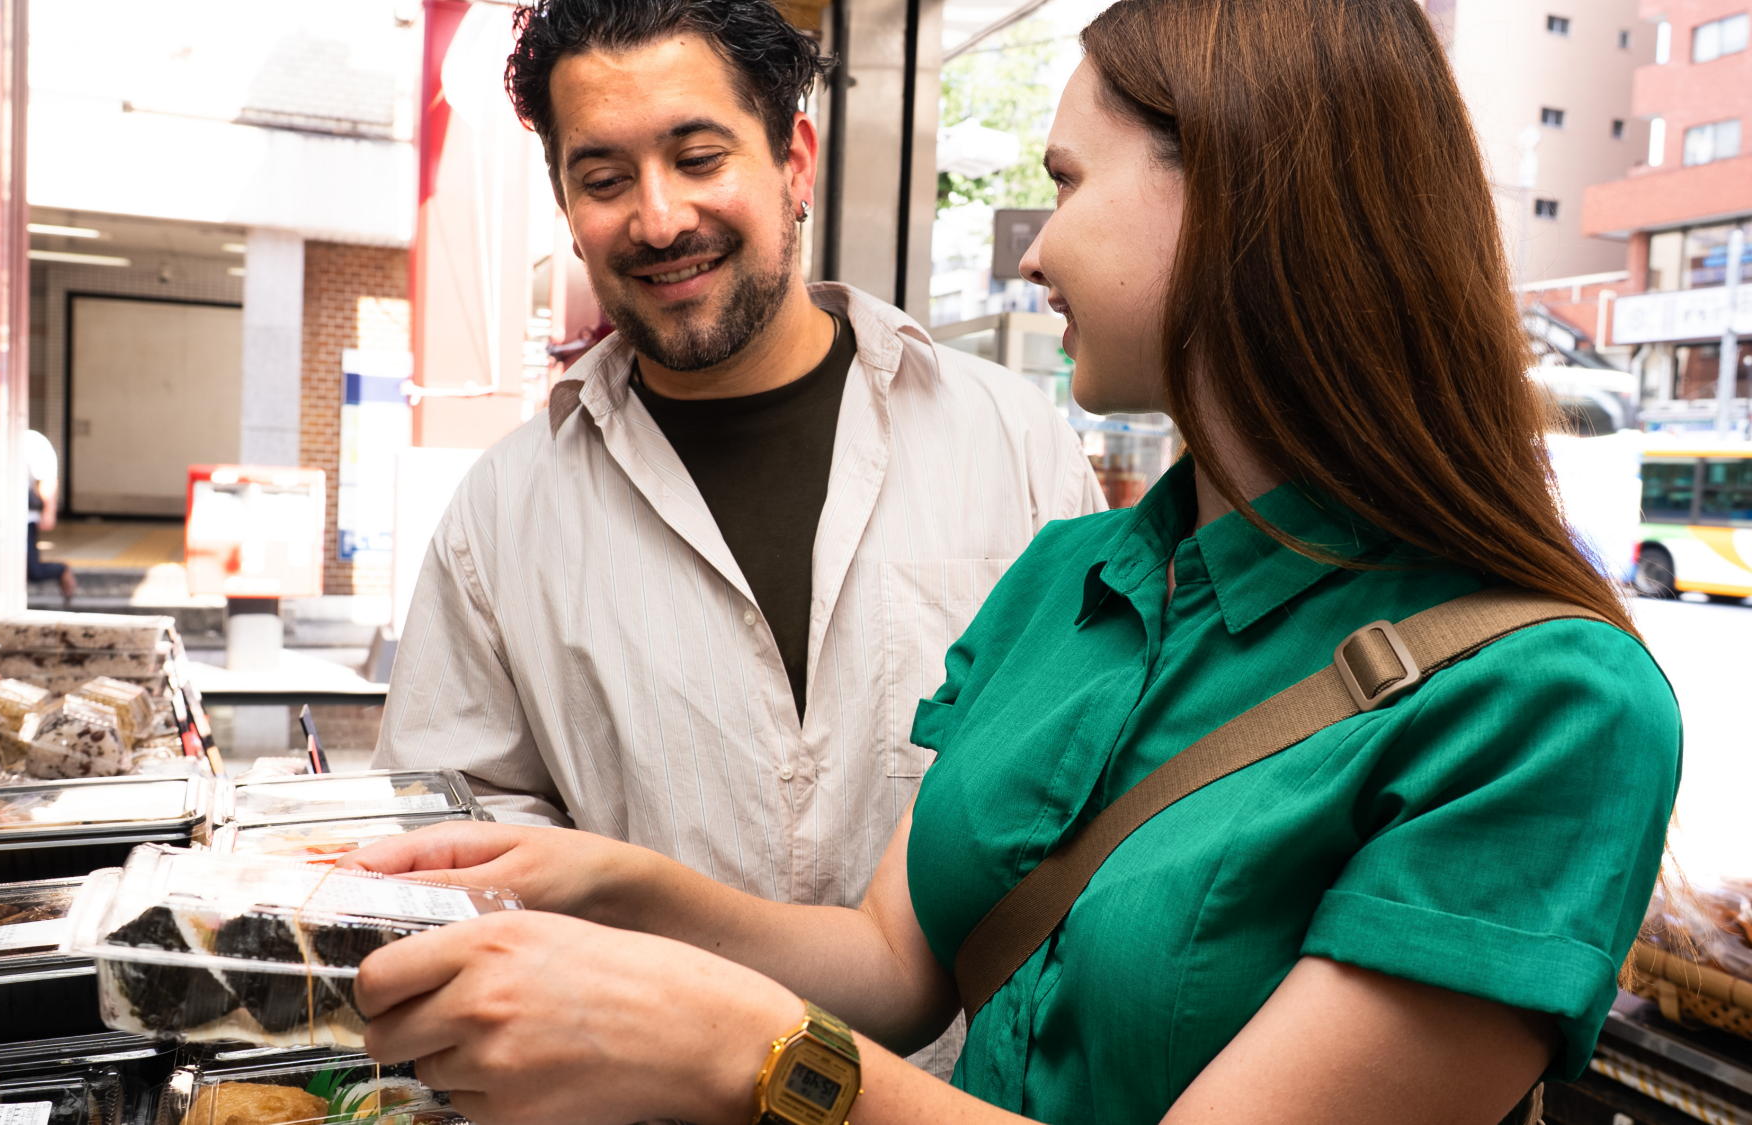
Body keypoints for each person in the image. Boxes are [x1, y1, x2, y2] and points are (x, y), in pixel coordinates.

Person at [341, 2, 1682, 1124]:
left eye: (1065, 182)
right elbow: (891, 957)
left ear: (1237, 195)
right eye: (601, 174)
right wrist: (619, 886)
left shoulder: (1545, 707)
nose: (1031, 249)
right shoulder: (1079, 578)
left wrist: (736, 1047)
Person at [374, 0, 1095, 1004]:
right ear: (567, 207)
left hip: (955, 1094)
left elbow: (1095, 796)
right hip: (625, 1093)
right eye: (603, 178)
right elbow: (447, 823)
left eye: (699, 156)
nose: (659, 218)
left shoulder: (1010, 445)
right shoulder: (502, 512)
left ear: (793, 162)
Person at [24, 428, 77, 601]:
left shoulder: (32, 440)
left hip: (25, 519)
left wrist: (48, 510)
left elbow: (46, 479)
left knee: (33, 571)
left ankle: (62, 570)